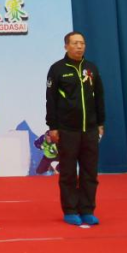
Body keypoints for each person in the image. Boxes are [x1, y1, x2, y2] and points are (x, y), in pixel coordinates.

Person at [46, 31, 105, 226]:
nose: (79, 46)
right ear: (66, 46)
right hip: (67, 130)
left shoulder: (91, 68)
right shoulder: (57, 69)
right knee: (68, 173)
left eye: (82, 43)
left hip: (90, 130)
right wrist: (53, 126)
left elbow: (99, 97)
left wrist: (100, 123)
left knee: (89, 172)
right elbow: (51, 100)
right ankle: (70, 210)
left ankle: (87, 209)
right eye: (75, 43)